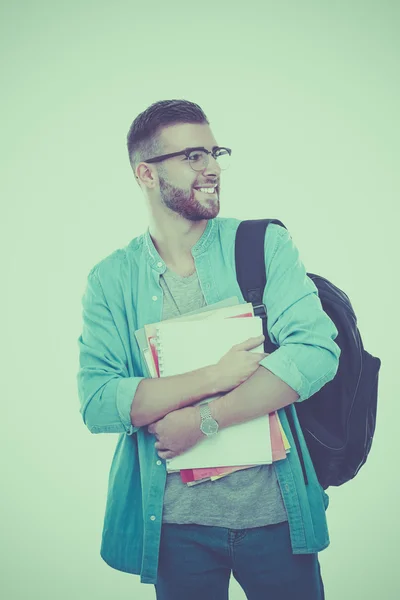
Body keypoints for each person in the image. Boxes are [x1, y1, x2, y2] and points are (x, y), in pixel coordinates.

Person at [77, 99, 340, 599]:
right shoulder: (111, 280)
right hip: (176, 529)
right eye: (193, 156)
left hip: (278, 519)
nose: (213, 168)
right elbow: (98, 402)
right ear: (146, 174)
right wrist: (214, 377)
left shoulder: (263, 245)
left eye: (214, 152)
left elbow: (315, 351)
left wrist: (203, 419)